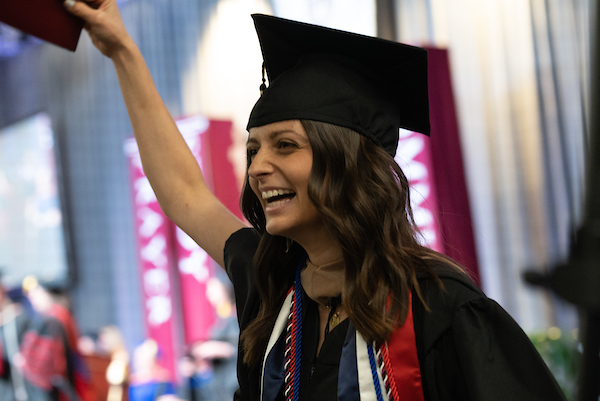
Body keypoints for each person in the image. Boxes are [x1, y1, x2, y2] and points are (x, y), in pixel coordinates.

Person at [64, 1, 568, 400]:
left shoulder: (441, 309)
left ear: (347, 164)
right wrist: (122, 50)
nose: (258, 167)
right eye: (254, 149)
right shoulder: (272, 284)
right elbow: (185, 195)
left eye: (286, 145)